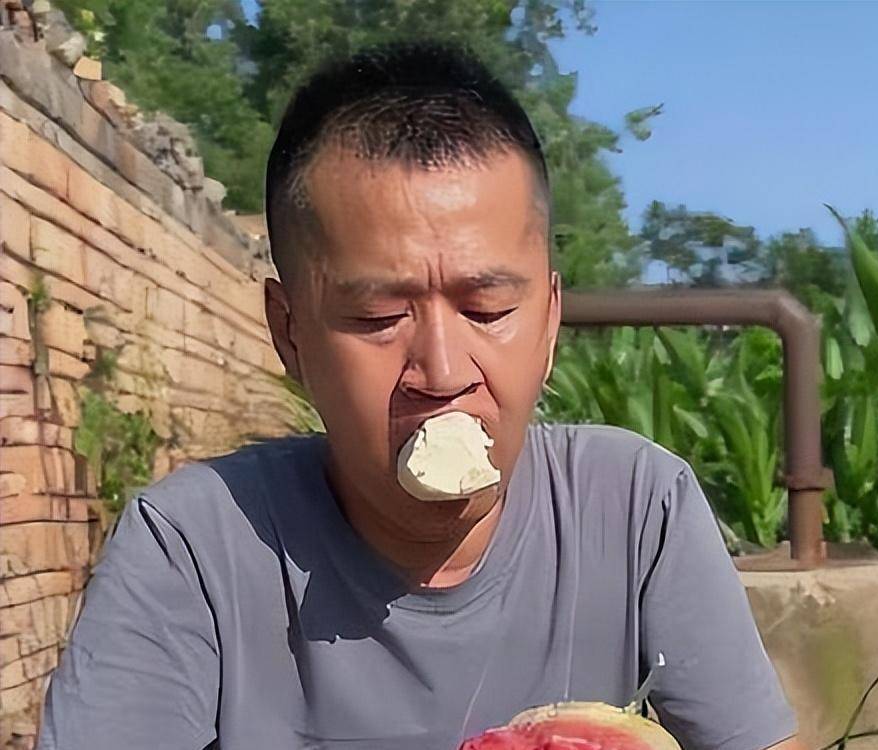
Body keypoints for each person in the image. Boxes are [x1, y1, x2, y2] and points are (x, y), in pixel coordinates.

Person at [37, 41, 802, 750]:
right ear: (290, 333)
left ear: (549, 322)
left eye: (488, 310)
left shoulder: (635, 509)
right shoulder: (191, 548)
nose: (441, 371)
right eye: (378, 318)